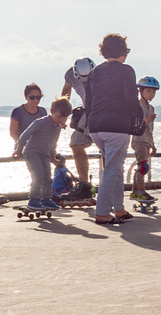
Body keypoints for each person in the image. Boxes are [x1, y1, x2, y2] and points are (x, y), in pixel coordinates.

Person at [86, 34, 143, 226]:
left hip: (95, 127)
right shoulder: (126, 71)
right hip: (116, 127)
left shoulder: (94, 72)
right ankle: (102, 212)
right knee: (111, 169)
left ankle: (118, 209)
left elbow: (88, 101)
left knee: (116, 166)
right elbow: (130, 98)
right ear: (123, 52)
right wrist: (139, 117)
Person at [15, 98, 71, 212]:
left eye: (65, 117)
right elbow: (25, 135)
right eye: (60, 116)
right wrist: (18, 150)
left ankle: (46, 199)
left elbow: (52, 144)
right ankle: (33, 199)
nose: (62, 119)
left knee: (47, 178)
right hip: (33, 152)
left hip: (45, 154)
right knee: (38, 176)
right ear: (52, 111)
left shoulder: (58, 127)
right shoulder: (41, 122)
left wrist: (53, 158)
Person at [60, 59, 95, 195]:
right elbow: (66, 90)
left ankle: (107, 183)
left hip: (103, 110)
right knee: (76, 144)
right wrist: (63, 113)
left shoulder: (101, 73)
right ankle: (84, 185)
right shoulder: (69, 75)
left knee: (107, 147)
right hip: (88, 111)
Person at [132, 76, 159, 202]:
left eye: (153, 92)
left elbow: (150, 129)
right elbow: (135, 124)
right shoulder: (136, 106)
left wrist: (152, 144)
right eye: (148, 91)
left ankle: (135, 192)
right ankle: (141, 192)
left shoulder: (151, 108)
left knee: (140, 166)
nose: (151, 94)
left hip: (147, 140)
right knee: (143, 167)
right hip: (139, 139)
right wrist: (147, 120)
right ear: (140, 91)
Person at [10, 84, 47, 151]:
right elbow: (13, 133)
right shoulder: (17, 112)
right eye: (32, 97)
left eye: (38, 97)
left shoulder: (43, 111)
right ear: (26, 97)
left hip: (39, 147)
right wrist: (22, 144)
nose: (35, 100)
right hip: (22, 147)